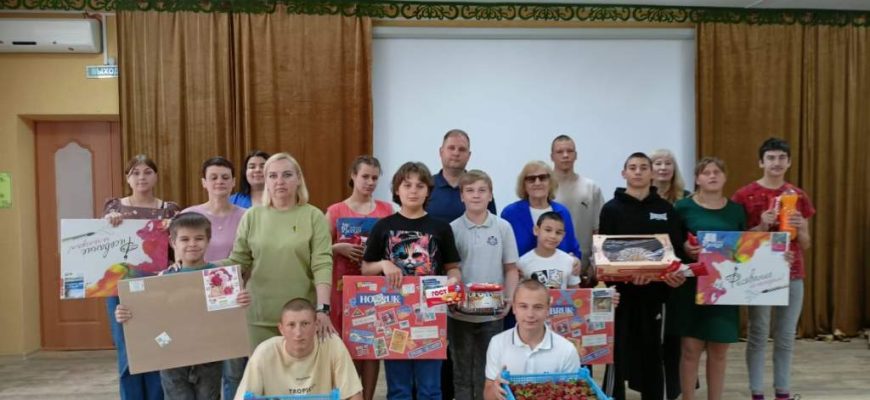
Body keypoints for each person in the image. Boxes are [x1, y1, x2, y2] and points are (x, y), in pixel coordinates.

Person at [115, 212, 251, 400]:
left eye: (199, 238)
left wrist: (240, 301)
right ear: (173, 242)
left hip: (209, 357)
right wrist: (126, 313)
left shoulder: (219, 277)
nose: (192, 244)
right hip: (172, 358)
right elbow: (147, 314)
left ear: (208, 240)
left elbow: (227, 315)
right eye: (185, 239)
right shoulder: (163, 279)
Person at [362, 162, 461, 400]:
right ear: (397, 189)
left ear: (428, 191)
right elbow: (365, 269)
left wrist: (452, 283)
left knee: (430, 389)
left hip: (431, 316)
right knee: (398, 390)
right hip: (394, 316)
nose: (413, 190)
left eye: (420, 185)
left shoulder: (441, 228)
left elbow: (454, 269)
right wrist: (383, 264)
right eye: (407, 185)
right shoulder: (383, 226)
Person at [220, 153, 334, 349]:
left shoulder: (314, 216)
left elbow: (322, 264)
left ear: (298, 179)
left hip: (301, 318)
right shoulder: (252, 216)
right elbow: (238, 261)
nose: (279, 181)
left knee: (302, 370)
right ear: (266, 180)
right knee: (262, 369)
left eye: (287, 175)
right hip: (259, 317)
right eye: (273, 176)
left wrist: (323, 309)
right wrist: (198, 266)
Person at [732, 138, 815, 400]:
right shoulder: (744, 195)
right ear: (761, 162)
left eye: (781, 158)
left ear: (789, 162)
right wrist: (761, 226)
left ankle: (783, 391)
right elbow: (736, 243)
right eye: (771, 158)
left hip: (793, 271)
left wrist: (801, 228)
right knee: (758, 333)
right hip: (760, 274)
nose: (776, 163)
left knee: (786, 336)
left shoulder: (798, 195)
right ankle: (757, 392)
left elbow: (806, 243)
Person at [599, 152, 686, 400]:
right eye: (633, 167)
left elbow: (675, 252)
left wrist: (664, 275)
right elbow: (604, 251)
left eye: (643, 167)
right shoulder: (611, 209)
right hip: (621, 296)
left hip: (656, 295)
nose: (638, 172)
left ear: (651, 173)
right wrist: (626, 276)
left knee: (653, 353)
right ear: (624, 173)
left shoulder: (665, 209)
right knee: (617, 354)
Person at [104, 154, 181, 400]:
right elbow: (102, 247)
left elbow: (179, 249)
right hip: (121, 290)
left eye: (147, 172)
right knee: (128, 350)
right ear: (127, 178)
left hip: (158, 289)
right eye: (135, 172)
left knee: (158, 345)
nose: (141, 177)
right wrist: (107, 224)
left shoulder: (169, 210)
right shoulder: (114, 208)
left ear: (156, 176)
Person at [669, 157, 746, 400]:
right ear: (697, 179)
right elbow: (672, 243)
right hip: (691, 287)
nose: (712, 176)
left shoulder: (736, 210)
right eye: (706, 172)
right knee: (690, 349)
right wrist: (685, 247)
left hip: (724, 287)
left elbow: (745, 248)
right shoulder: (682, 207)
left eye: (717, 172)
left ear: (725, 177)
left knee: (719, 350)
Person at [324, 155, 394, 400]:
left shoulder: (386, 210)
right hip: (342, 289)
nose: (370, 182)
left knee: (373, 348)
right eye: (365, 176)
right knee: (347, 347)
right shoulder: (335, 211)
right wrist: (338, 248)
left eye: (375, 178)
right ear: (353, 176)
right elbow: (319, 251)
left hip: (375, 289)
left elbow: (393, 248)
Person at [181, 157, 248, 400]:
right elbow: (178, 258)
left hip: (233, 299)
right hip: (194, 299)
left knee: (234, 370)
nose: (219, 181)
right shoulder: (189, 214)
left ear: (233, 182)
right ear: (204, 182)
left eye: (225, 177)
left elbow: (251, 257)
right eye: (213, 177)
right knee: (201, 367)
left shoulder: (247, 216)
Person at [448, 170, 519, 400]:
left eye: (482, 190)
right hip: (459, 315)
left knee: (488, 373)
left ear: (490, 195)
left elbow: (511, 269)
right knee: (460, 373)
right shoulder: (452, 229)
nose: (476, 195)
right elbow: (448, 270)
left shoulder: (503, 227)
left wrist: (510, 299)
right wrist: (450, 300)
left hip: (492, 314)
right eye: (470, 190)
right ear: (462, 196)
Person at [234, 298, 363, 400]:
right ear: (281, 329)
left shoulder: (332, 344)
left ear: (316, 325)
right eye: (291, 325)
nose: (298, 333)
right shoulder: (264, 352)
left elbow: (353, 395)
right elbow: (244, 396)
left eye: (305, 324)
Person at [482, 279, 581, 400]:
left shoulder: (567, 350)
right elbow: (487, 395)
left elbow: (574, 393)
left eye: (538, 307)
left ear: (548, 309)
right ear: (514, 308)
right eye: (523, 306)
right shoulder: (497, 343)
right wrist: (495, 389)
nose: (530, 314)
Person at [649, 148, 690, 399]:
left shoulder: (686, 200)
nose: (663, 168)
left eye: (668, 163)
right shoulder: (644, 200)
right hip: (651, 277)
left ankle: (675, 390)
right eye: (658, 163)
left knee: (678, 339)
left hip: (679, 277)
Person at [551, 134, 605, 286]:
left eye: (570, 151)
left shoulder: (591, 188)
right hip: (550, 268)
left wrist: (595, 263)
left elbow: (599, 231)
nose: (565, 155)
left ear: (576, 155)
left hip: (582, 269)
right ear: (552, 156)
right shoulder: (544, 188)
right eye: (560, 152)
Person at [427, 129, 496, 223]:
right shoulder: (426, 186)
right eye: (451, 148)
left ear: (469, 155)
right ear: (441, 152)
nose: (456, 153)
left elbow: (492, 225)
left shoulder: (480, 189)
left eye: (462, 149)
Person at [517, 212, 581, 290]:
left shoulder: (570, 261)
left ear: (563, 235)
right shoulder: (522, 262)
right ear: (536, 230)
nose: (553, 236)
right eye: (548, 230)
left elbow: (575, 291)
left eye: (558, 233)